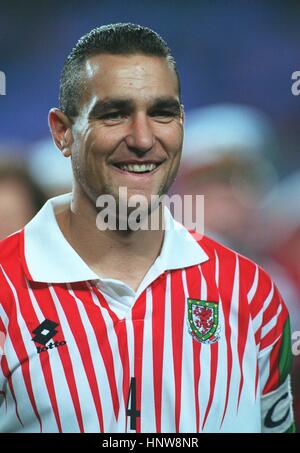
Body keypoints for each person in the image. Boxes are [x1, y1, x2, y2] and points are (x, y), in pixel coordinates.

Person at [0, 23, 295, 433]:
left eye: (162, 112)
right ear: (62, 132)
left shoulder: (252, 293)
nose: (142, 138)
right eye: (114, 113)